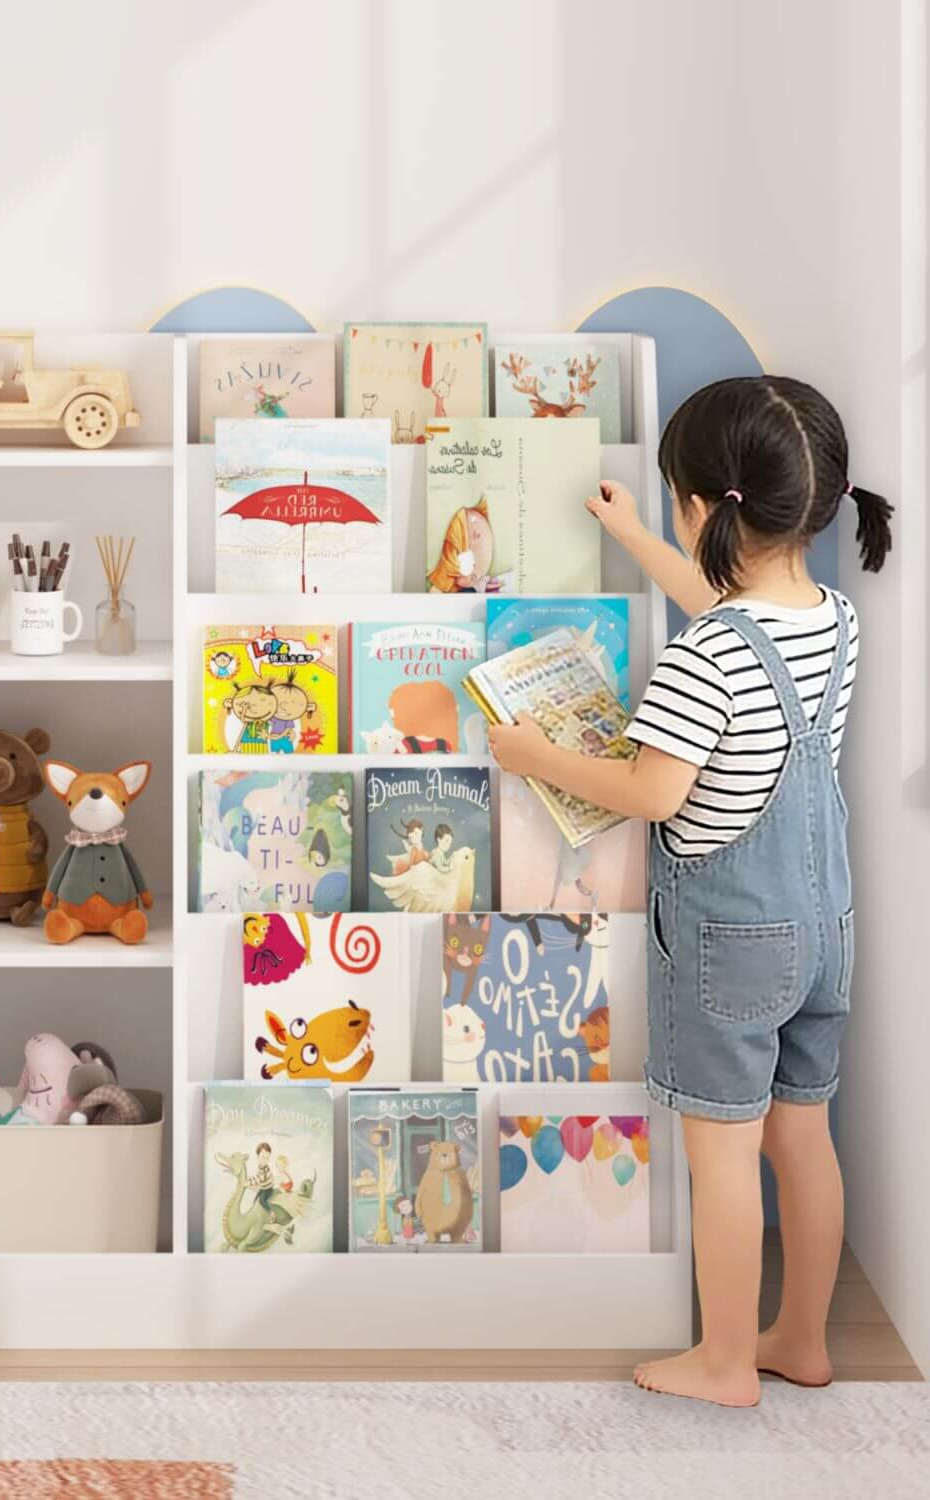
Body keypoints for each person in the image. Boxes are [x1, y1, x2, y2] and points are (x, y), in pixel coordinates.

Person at [486, 376, 892, 1408]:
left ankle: (721, 1363)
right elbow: (730, 603)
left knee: (724, 1155)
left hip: (729, 938)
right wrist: (636, 540)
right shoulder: (832, 620)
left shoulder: (702, 659)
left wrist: (534, 752)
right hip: (824, 925)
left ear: (707, 509)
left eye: (672, 499)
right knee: (805, 1136)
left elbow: (647, 790)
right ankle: (801, 1336)